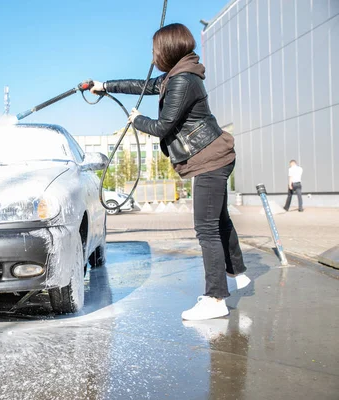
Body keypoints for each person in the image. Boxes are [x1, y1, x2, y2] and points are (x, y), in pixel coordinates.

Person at [91, 23, 250, 321]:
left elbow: (162, 126)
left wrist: (136, 119)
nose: (152, 57)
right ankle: (237, 272)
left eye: (154, 51)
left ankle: (215, 298)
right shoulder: (176, 76)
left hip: (210, 160)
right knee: (220, 220)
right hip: (213, 156)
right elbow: (143, 85)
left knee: (206, 229)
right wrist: (106, 85)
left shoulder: (183, 80)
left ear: (167, 49)